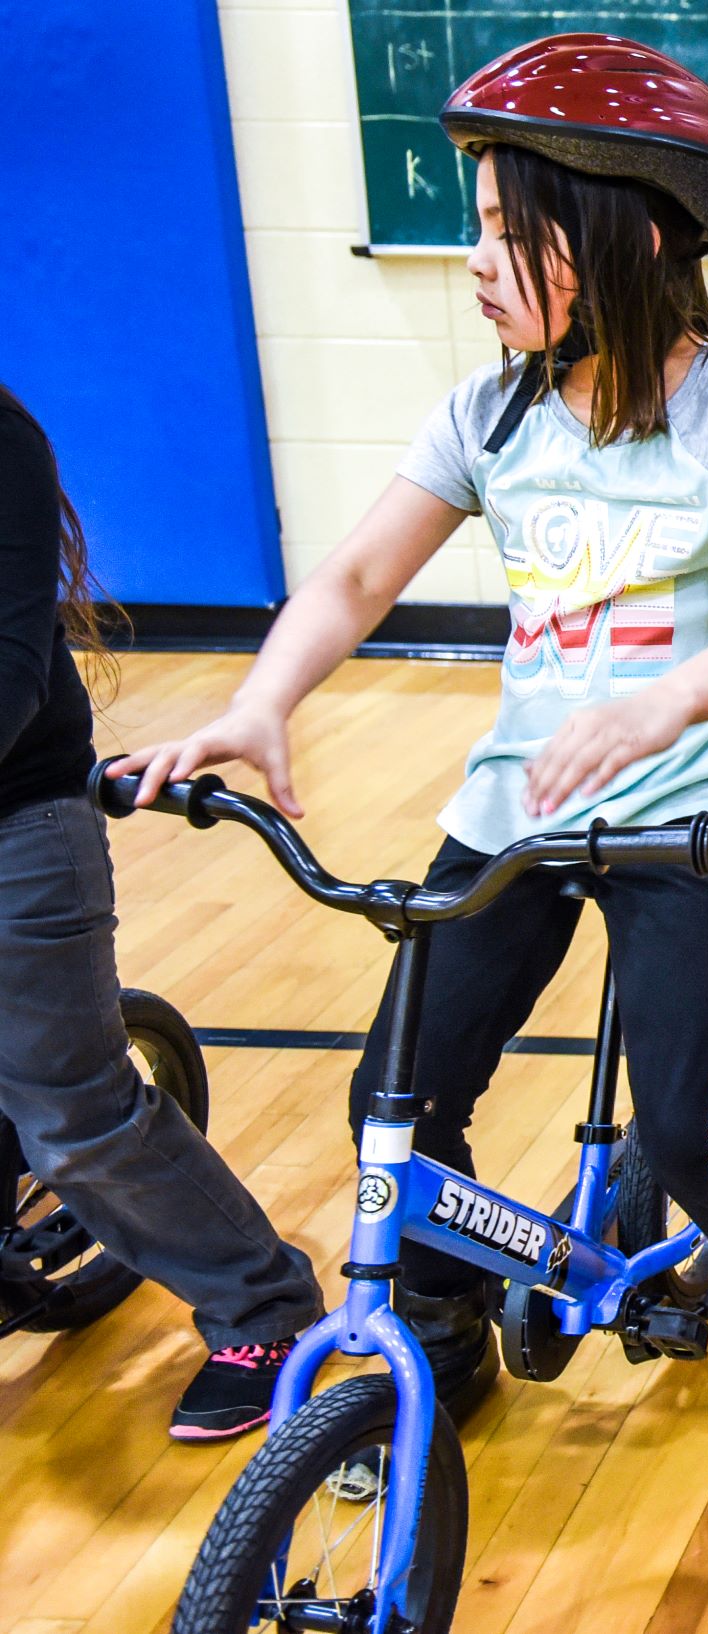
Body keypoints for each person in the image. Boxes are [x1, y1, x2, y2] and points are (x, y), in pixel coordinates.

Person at [112, 35, 708, 1543]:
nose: (473, 262)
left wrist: (661, 702)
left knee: (694, 1133)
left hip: (686, 811)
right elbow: (352, 574)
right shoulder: (492, 414)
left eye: (505, 235)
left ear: (626, 240)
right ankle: (443, 1337)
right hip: (521, 807)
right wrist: (260, 700)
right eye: (472, 227)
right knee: (395, 1094)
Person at [0, 383, 325, 1439]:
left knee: (73, 1118)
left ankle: (263, 1302)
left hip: (17, 825)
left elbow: (8, 680)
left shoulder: (1, 443)